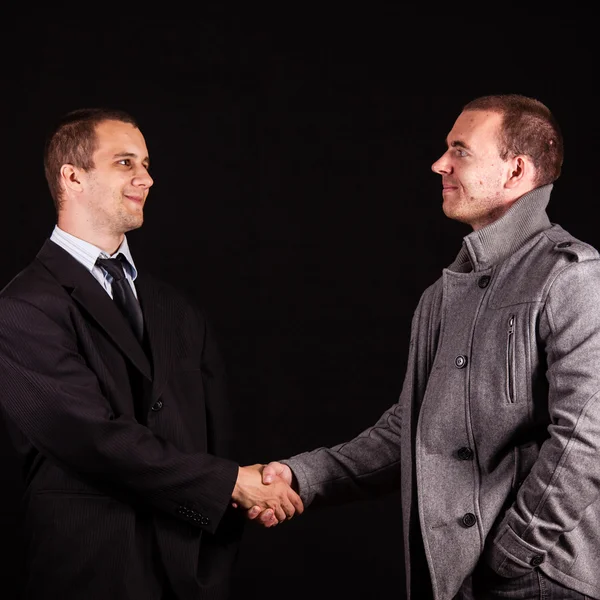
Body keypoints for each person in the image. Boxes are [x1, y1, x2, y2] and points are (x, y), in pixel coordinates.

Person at [248, 94, 600, 600]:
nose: (440, 164)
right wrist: (301, 475)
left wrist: (516, 551)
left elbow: (587, 436)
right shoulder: (440, 297)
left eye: (461, 151)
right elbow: (411, 430)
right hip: (455, 576)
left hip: (540, 580)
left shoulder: (571, 274)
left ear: (515, 170)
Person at [0, 107, 303, 600]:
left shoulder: (177, 309)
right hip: (90, 576)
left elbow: (213, 435)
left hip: (191, 573)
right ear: (73, 176)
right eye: (125, 163)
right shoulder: (20, 308)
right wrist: (230, 483)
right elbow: (90, 437)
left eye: (145, 163)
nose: (146, 177)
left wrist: (232, 510)